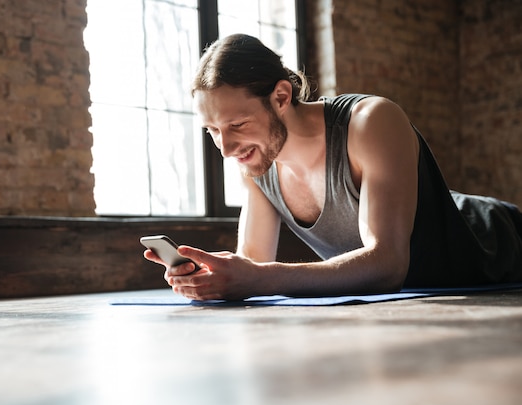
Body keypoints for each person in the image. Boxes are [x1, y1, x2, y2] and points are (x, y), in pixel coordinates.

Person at [144, 33, 522, 301]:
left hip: (494, 240)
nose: (224, 148)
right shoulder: (257, 164)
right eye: (212, 131)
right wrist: (212, 278)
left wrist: (259, 277)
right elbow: (253, 265)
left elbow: (388, 263)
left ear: (280, 96)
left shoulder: (371, 121)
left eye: (237, 125)